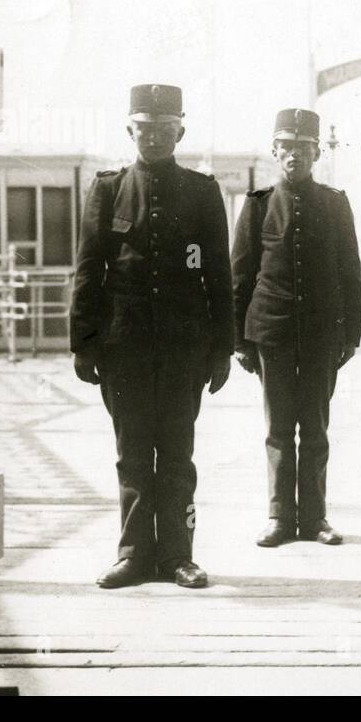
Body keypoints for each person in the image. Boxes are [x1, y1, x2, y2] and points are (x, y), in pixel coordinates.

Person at [71, 83, 233, 589]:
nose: (155, 139)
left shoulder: (202, 191)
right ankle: (134, 555)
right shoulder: (108, 189)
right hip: (124, 348)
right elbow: (88, 269)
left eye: (165, 130)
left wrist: (223, 349)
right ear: (130, 130)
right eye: (145, 130)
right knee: (134, 455)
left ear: (180, 132)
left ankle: (179, 557)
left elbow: (219, 276)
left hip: (185, 349)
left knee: (179, 457)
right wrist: (84, 341)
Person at [231, 107, 361, 548]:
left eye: (303, 148)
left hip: (322, 336)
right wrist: (240, 341)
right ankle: (279, 518)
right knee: (278, 429)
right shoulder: (257, 206)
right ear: (275, 151)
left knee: (316, 429)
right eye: (286, 147)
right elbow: (241, 276)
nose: (294, 156)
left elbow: (350, 273)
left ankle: (315, 518)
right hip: (272, 334)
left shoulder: (334, 204)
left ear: (316, 152)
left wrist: (351, 337)